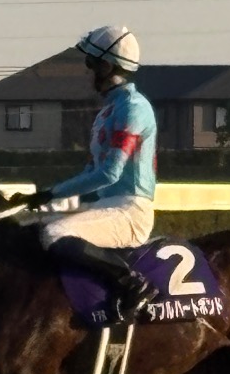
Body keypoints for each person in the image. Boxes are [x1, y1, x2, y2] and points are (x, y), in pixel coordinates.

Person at [10, 25, 158, 319]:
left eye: (89, 62)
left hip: (131, 212)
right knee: (31, 228)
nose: (85, 69)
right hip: (107, 206)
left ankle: (131, 282)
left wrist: (50, 193)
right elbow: (92, 172)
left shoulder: (134, 108)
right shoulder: (107, 111)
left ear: (107, 66)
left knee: (54, 233)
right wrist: (43, 201)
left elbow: (109, 175)